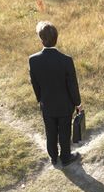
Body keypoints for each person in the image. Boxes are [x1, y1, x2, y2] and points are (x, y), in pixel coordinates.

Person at [29, 21, 82, 167]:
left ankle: (53, 157)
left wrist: (40, 99)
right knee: (65, 132)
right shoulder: (66, 60)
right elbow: (72, 85)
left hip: (47, 104)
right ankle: (65, 158)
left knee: (50, 131)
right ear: (56, 38)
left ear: (41, 39)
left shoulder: (33, 60)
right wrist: (78, 103)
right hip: (65, 105)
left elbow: (35, 83)